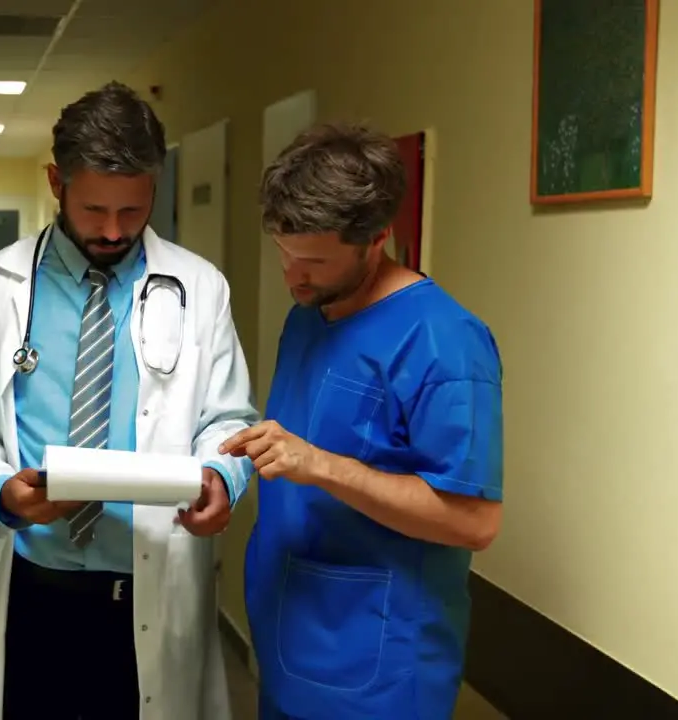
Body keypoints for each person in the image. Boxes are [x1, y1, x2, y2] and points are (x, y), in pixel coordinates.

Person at [0, 81, 258, 720]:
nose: (113, 231)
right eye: (94, 211)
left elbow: (227, 417)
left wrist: (224, 475)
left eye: (132, 212)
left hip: (147, 584)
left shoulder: (200, 287)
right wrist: (2, 490)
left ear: (154, 190)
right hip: (32, 583)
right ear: (57, 181)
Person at [219, 123, 504, 719]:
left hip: (376, 666)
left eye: (314, 261)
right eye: (284, 253)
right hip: (289, 636)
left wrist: (322, 466)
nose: (293, 276)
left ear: (376, 240)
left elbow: (475, 521)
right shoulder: (310, 314)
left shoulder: (443, 342)